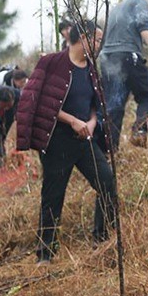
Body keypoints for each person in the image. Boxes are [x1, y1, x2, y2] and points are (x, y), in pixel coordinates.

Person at [16, 20, 118, 263]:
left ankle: (101, 240)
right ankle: (45, 254)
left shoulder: (91, 68)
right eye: (95, 39)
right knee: (53, 196)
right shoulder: (51, 62)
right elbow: (37, 101)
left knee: (107, 184)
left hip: (85, 140)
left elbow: (95, 104)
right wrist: (72, 120)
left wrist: (92, 122)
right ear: (82, 37)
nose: (98, 44)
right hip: (57, 140)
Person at [99, 0, 148, 150]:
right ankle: (140, 131)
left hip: (107, 58)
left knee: (114, 106)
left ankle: (109, 153)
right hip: (128, 55)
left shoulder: (115, 8)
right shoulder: (139, 1)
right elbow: (143, 24)